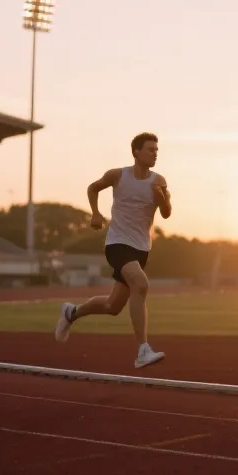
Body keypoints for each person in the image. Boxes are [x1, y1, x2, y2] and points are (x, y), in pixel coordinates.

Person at [54, 132, 171, 369]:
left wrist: (161, 198)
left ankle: (72, 312)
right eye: (150, 149)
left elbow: (167, 212)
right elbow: (93, 188)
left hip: (141, 248)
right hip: (117, 243)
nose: (155, 153)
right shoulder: (118, 175)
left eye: (157, 150)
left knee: (112, 306)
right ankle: (142, 350)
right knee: (141, 284)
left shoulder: (159, 181)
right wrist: (95, 213)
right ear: (136, 152)